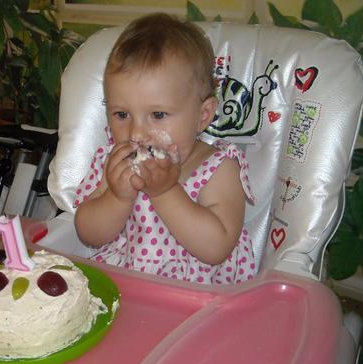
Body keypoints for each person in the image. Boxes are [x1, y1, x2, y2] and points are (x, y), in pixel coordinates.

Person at [73, 13, 256, 284]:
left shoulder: (219, 169)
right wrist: (117, 198)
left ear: (203, 115)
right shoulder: (114, 163)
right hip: (125, 287)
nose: (136, 134)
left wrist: (165, 191)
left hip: (195, 297)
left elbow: (217, 248)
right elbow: (88, 234)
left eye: (158, 115)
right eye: (122, 114)